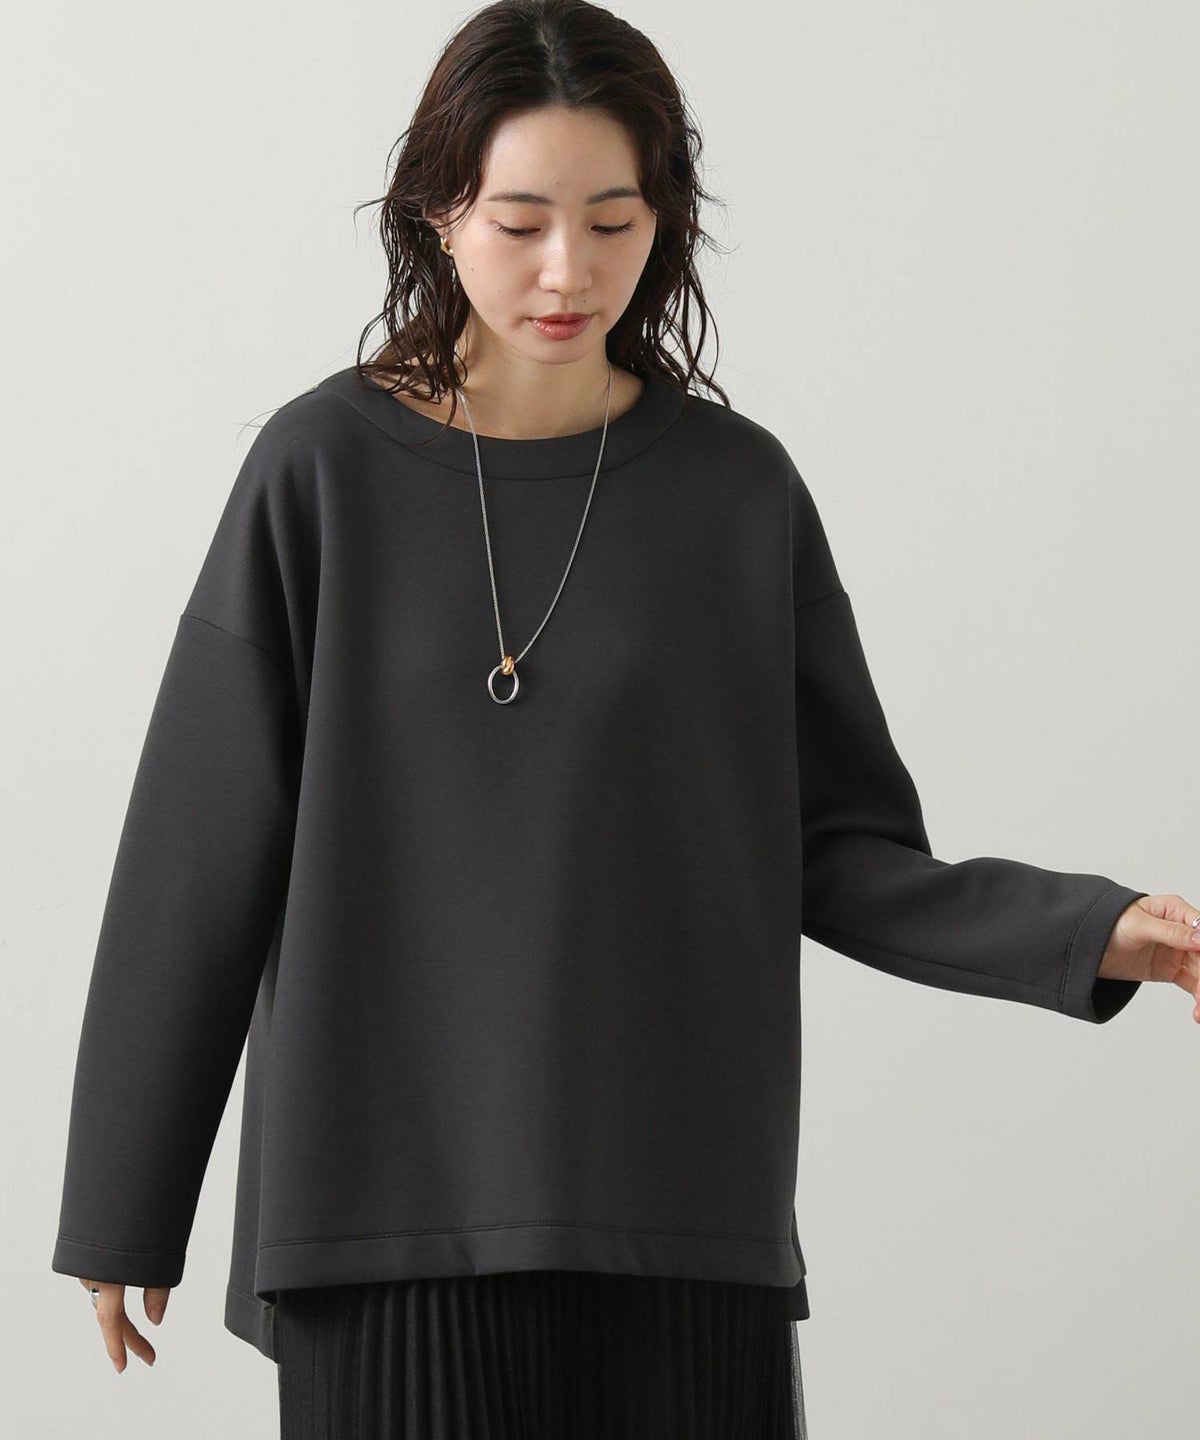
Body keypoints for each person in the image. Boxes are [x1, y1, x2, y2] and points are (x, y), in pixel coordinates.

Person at [52, 2, 1200, 1437]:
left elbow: (835, 844)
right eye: (521, 220)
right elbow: (199, 851)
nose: (568, 269)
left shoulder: (735, 495)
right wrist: (125, 1200)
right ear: (439, 211)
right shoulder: (320, 470)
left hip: (680, 1221)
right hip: (387, 1220)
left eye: (612, 221)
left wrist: (1093, 931)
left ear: (664, 221)